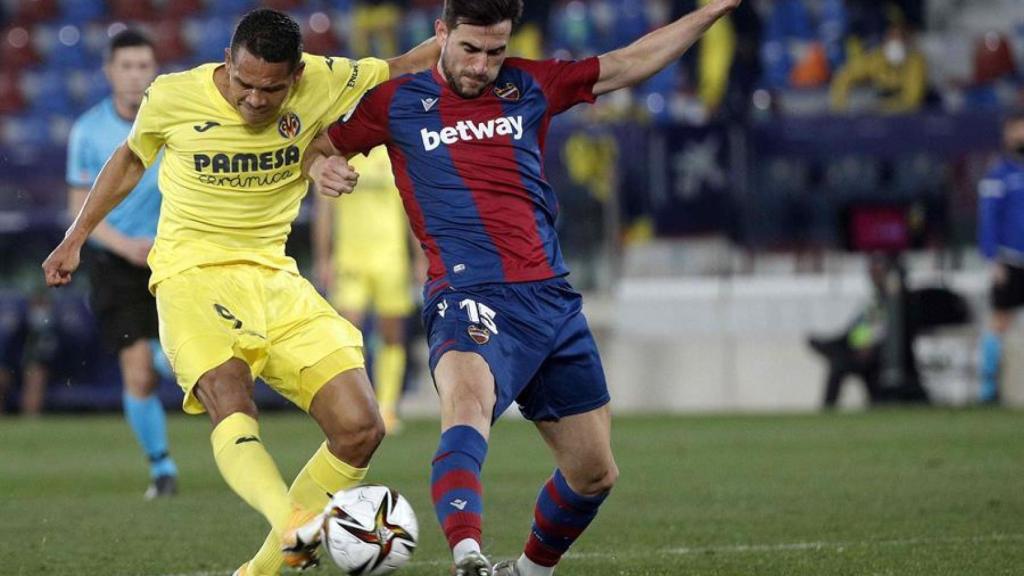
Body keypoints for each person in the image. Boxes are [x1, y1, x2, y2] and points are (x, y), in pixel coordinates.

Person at [304, 0, 742, 574]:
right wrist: (319, 166)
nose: (483, 64)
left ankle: (527, 572)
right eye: (469, 49)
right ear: (441, 34)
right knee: (466, 405)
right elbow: (315, 143)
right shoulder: (396, 103)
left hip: (551, 300)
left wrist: (710, 11)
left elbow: (630, 63)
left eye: (495, 51)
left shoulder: (529, 85)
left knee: (594, 472)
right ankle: (468, 556)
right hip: (467, 293)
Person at [42, 9, 438, 575]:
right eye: (243, 83)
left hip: (274, 276)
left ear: (297, 76)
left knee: (361, 428)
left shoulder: (328, 79)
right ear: (227, 62)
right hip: (190, 273)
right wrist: (76, 236)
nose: (253, 100)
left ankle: (259, 570)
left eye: (270, 89)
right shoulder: (174, 96)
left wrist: (453, 33)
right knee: (230, 395)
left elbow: (403, 65)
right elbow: (132, 157)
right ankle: (291, 526)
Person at [65, 28, 179, 499]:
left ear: (154, 71)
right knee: (138, 372)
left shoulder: (173, 123)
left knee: (178, 362)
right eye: (126, 67)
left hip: (173, 256)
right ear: (109, 72)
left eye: (142, 66)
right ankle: (163, 469)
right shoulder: (88, 131)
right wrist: (125, 245)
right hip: (116, 262)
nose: (135, 77)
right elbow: (79, 205)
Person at [312, 145, 426, 435]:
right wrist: (323, 258)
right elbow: (324, 212)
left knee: (391, 333)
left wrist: (421, 258)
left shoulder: (394, 155)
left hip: (391, 259)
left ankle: (387, 406)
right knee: (348, 335)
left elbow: (411, 211)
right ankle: (356, 406)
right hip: (350, 260)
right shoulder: (339, 157)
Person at [808, 253, 927, 408]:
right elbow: (863, 329)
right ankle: (837, 345)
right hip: (865, 349)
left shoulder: (901, 301)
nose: (874, 278)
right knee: (844, 351)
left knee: (839, 362)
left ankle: (835, 346)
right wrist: (862, 343)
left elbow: (895, 334)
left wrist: (871, 345)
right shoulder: (877, 301)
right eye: (872, 273)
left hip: (885, 357)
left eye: (878, 273)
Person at [976, 110, 1024, 404]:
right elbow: (988, 219)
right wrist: (992, 259)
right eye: (1018, 130)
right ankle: (988, 388)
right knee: (1000, 321)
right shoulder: (999, 175)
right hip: (1010, 260)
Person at [829, 23, 927, 114]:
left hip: (909, 113)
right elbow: (845, 76)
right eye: (892, 38)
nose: (896, 42)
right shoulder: (877, 58)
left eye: (900, 38)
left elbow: (912, 98)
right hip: (880, 103)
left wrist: (882, 107)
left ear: (907, 41)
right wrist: (840, 104)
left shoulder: (915, 62)